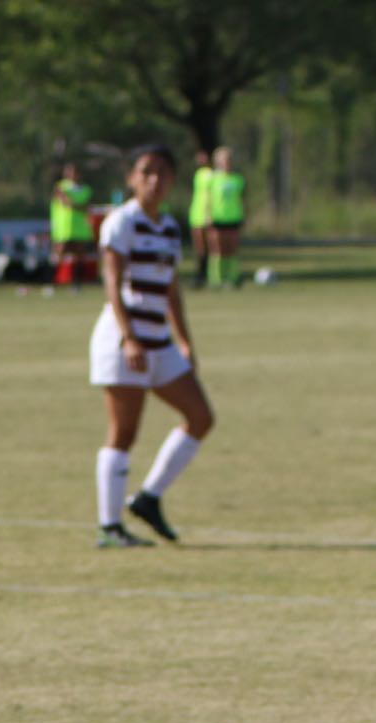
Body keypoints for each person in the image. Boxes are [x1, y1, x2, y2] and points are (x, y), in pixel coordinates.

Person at [88, 144, 214, 549]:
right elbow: (112, 281)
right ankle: (109, 527)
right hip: (125, 341)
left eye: (163, 172)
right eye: (146, 172)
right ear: (132, 178)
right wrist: (128, 337)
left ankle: (148, 498)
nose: (155, 180)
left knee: (200, 417)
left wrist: (185, 341)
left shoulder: (169, 228)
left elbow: (171, 290)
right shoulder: (121, 222)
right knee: (124, 432)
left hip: (159, 342)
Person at [49, 161, 94, 289]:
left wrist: (75, 205)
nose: (72, 174)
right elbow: (66, 202)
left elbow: (86, 206)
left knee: (79, 257)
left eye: (74, 172)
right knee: (59, 255)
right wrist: (78, 206)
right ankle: (52, 283)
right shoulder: (61, 187)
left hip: (80, 229)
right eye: (69, 171)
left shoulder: (85, 189)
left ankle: (76, 285)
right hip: (64, 228)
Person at [208, 147, 246, 288]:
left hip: (233, 217)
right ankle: (216, 279)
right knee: (218, 249)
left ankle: (233, 278)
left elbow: (241, 199)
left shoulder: (237, 179)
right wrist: (208, 215)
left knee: (232, 249)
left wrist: (243, 214)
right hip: (218, 217)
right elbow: (208, 199)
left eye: (229, 160)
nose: (227, 163)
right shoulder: (213, 179)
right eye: (224, 161)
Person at [187, 149, 215, 289]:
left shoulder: (213, 175)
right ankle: (200, 274)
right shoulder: (198, 174)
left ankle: (210, 275)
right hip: (196, 214)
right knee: (199, 248)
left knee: (209, 247)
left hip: (207, 215)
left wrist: (210, 214)